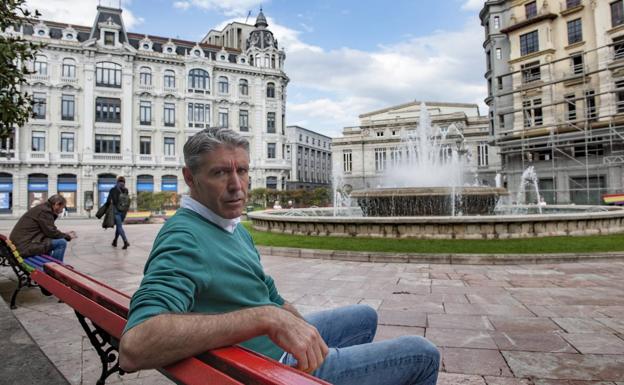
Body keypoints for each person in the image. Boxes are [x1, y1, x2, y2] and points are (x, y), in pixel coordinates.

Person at [119, 128, 439, 385]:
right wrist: (265, 318)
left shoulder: (232, 227)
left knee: (364, 315)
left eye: (242, 170)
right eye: (219, 173)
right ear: (190, 178)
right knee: (422, 354)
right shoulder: (184, 237)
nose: (236, 185)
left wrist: (296, 328)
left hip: (270, 353)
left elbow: (271, 296)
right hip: (261, 369)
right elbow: (136, 346)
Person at [9, 194, 77, 262]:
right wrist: (67, 236)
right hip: (24, 247)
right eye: (62, 207)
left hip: (20, 245)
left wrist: (63, 234)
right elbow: (51, 232)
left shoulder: (42, 208)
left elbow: (48, 230)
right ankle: (56, 267)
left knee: (50, 241)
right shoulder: (45, 211)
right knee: (61, 243)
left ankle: (49, 265)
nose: (62, 210)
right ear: (57, 204)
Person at [105, 176, 130, 249]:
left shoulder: (113, 190)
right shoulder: (126, 190)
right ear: (124, 182)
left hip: (116, 211)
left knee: (119, 227)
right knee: (119, 227)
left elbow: (108, 201)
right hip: (123, 212)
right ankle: (115, 241)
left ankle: (125, 241)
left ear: (117, 182)